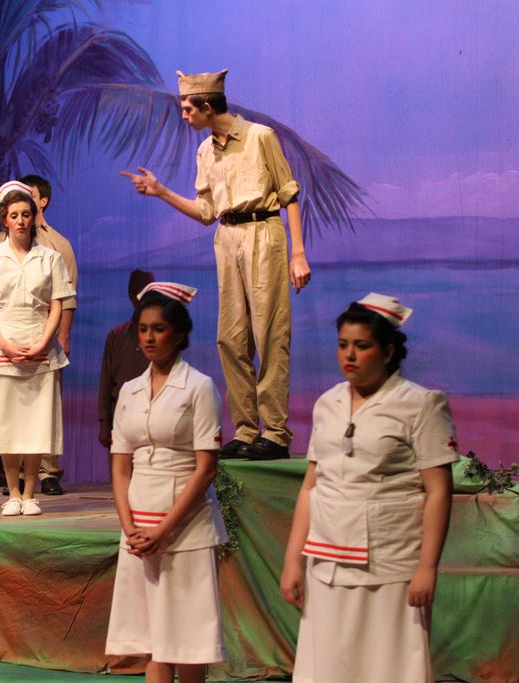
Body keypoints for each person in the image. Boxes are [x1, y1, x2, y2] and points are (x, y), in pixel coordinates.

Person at [122, 68, 311, 461]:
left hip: (263, 231)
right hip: (227, 237)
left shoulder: (260, 137)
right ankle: (246, 430)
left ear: (207, 106)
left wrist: (298, 253)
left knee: (269, 333)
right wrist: (161, 192)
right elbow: (206, 211)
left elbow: (288, 194)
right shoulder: (205, 151)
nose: (184, 115)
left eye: (188, 108)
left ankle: (275, 433)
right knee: (231, 338)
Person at [279, 293, 456, 683]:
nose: (350, 355)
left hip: (389, 561)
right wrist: (293, 559)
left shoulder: (420, 404)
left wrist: (427, 567)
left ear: (388, 352)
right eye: (343, 345)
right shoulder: (327, 403)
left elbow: (438, 491)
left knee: (386, 665)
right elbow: (311, 486)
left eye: (362, 346)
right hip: (327, 558)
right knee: (330, 664)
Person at [105, 282, 226, 683]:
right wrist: (130, 529)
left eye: (158, 329)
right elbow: (120, 465)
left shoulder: (199, 387)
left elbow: (206, 468)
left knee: (187, 638)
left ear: (179, 333)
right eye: (143, 329)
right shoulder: (130, 390)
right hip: (139, 524)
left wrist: (163, 530)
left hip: (185, 525)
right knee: (153, 637)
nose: (149, 337)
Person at [0, 180, 74, 515]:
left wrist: (44, 341)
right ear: (4, 218)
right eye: (14, 215)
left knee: (34, 423)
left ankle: (30, 494)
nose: (20, 221)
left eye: (25, 214)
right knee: (7, 424)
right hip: (1, 347)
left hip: (39, 347)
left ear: (33, 217)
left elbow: (58, 304)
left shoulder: (50, 257)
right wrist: (3, 343)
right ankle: (13, 493)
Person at [98, 268, 155, 454]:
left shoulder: (161, 335)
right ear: (132, 293)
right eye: (143, 290)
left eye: (151, 291)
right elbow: (106, 381)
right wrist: (104, 423)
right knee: (121, 467)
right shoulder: (117, 336)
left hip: (153, 418)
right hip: (121, 418)